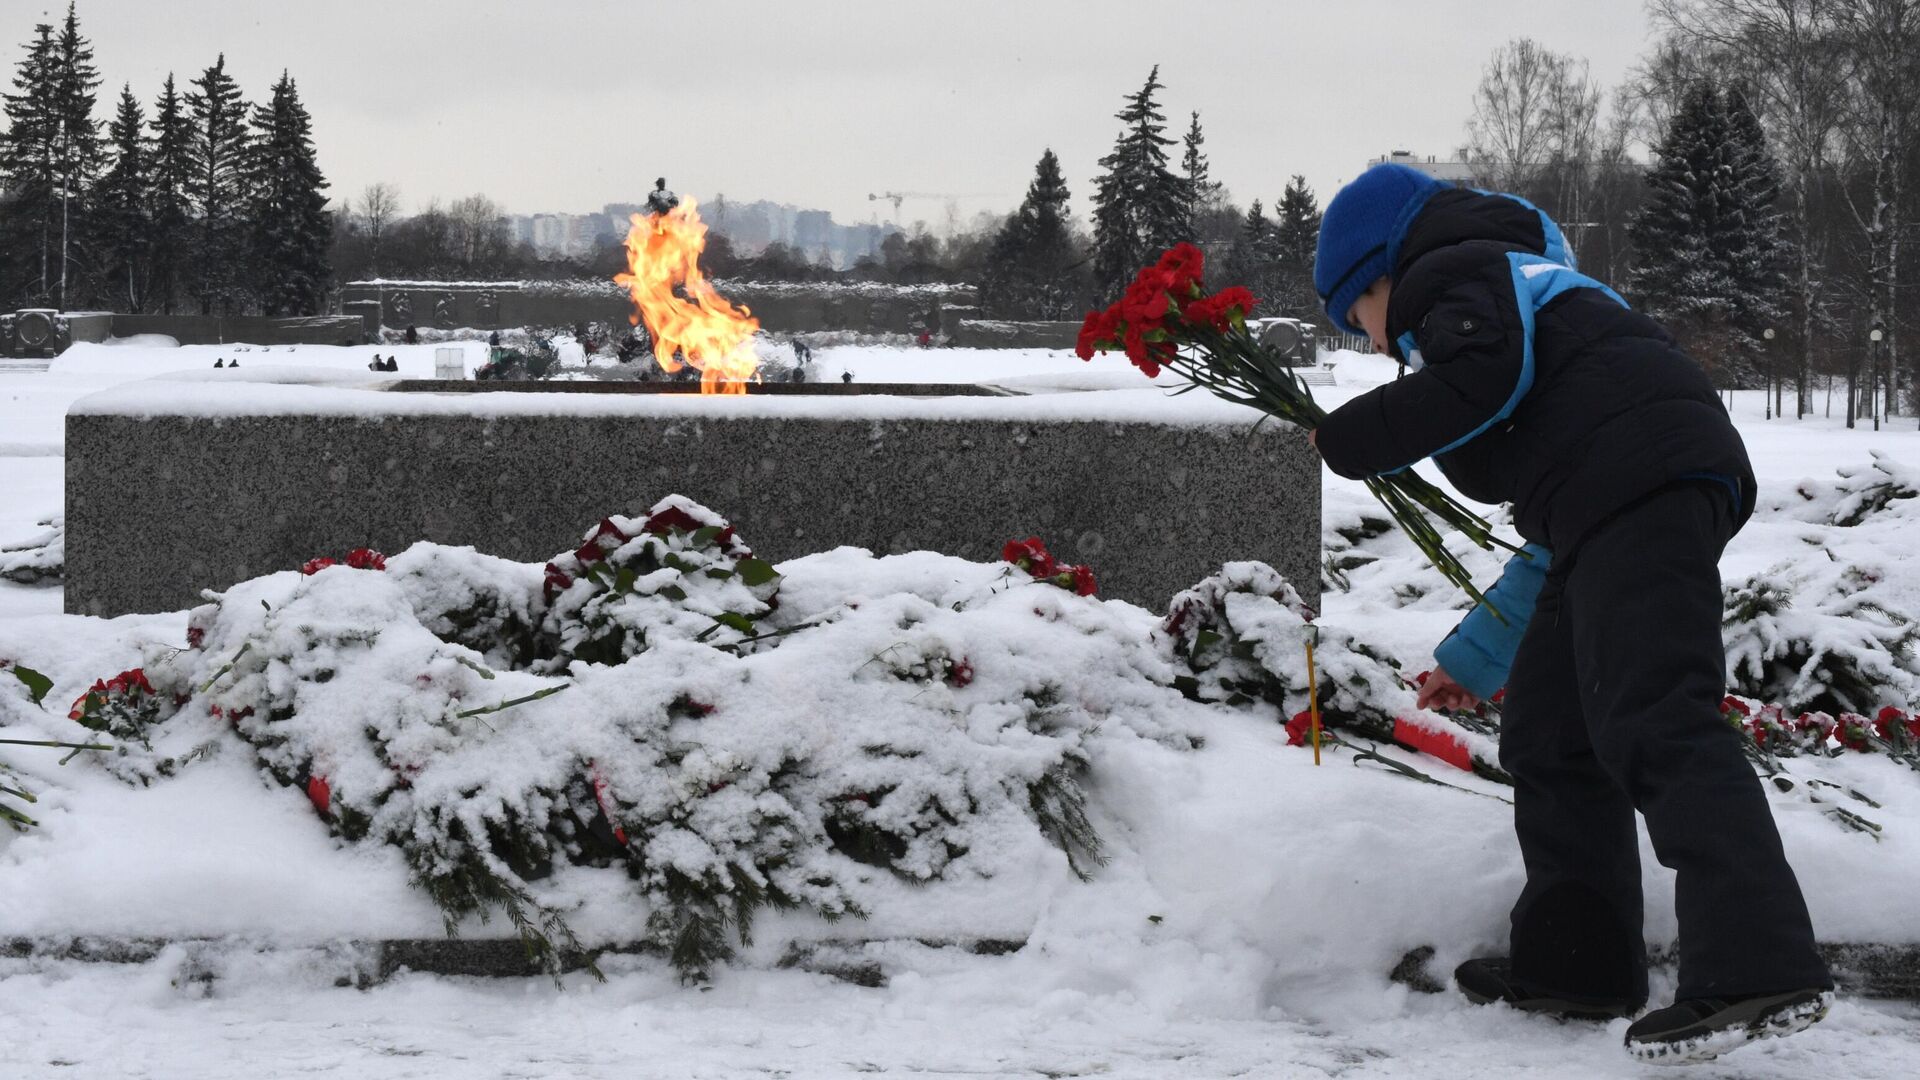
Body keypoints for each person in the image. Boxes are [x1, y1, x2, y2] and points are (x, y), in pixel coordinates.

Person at [1308, 163, 1832, 1063]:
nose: (1368, 341)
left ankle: (1757, 964)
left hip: (1644, 481)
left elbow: (1479, 380)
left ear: (1376, 276)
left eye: (1352, 316)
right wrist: (1473, 662)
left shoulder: (1456, 273)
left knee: (1655, 717)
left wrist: (1354, 437)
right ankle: (1577, 965)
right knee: (1554, 730)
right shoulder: (1519, 295)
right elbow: (1553, 549)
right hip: (1618, 493)